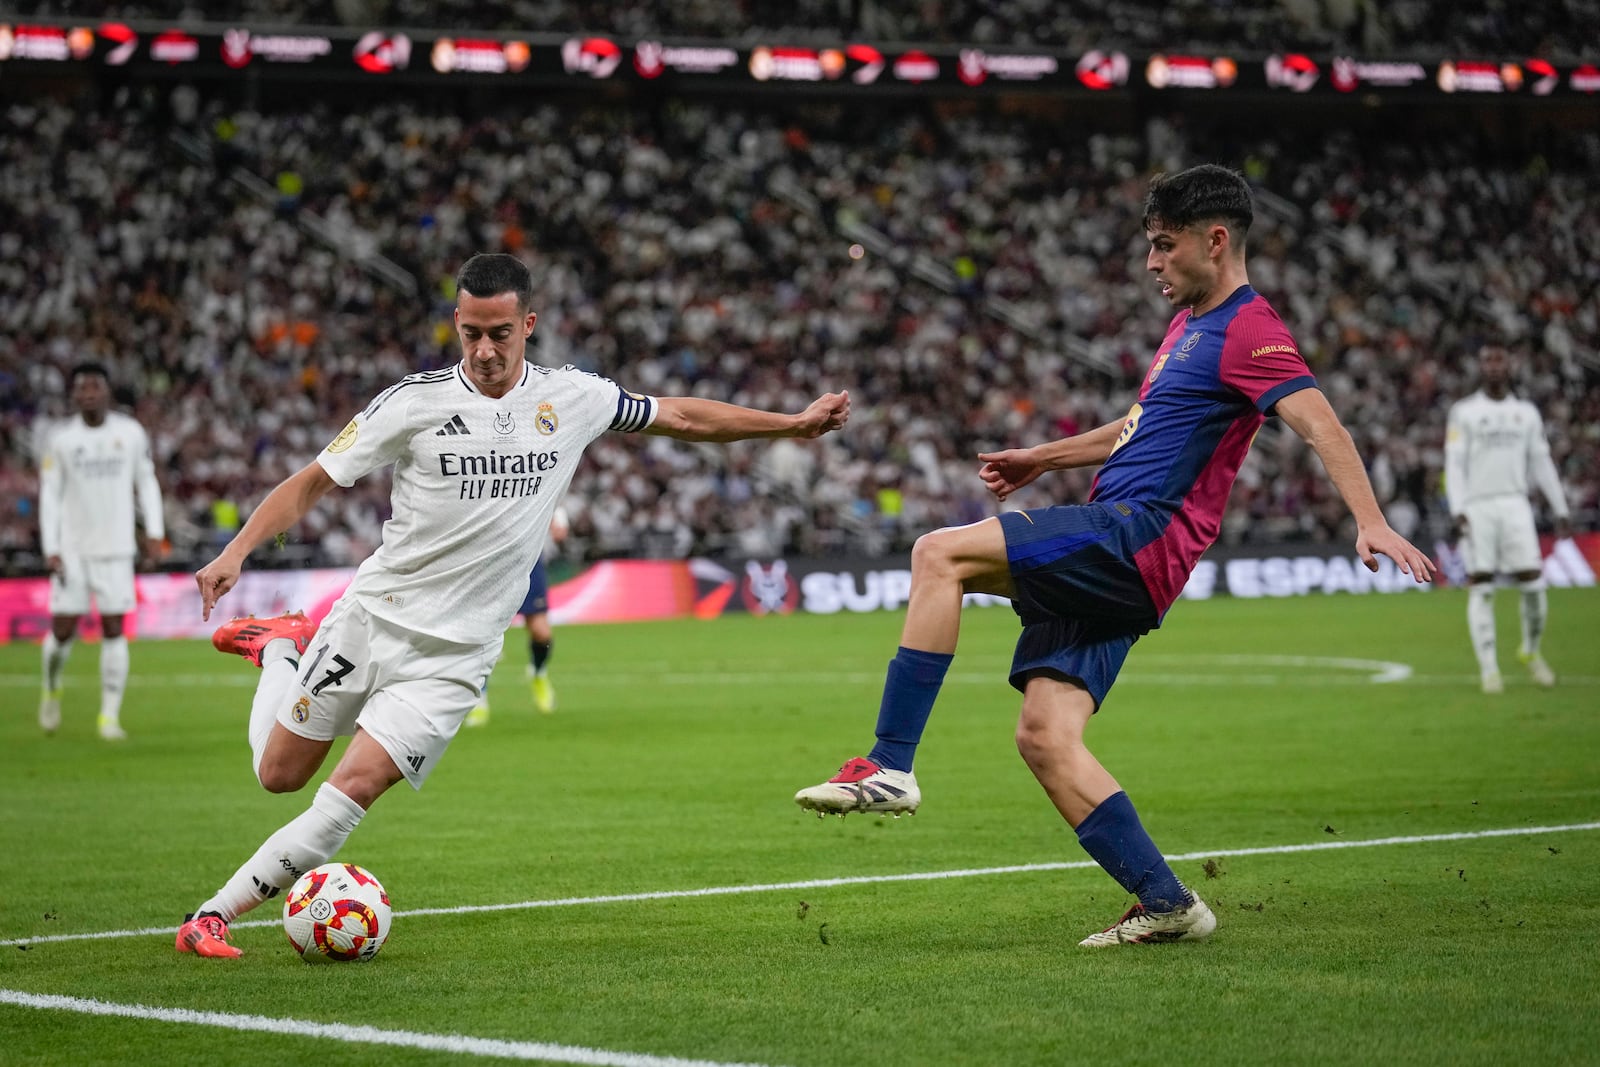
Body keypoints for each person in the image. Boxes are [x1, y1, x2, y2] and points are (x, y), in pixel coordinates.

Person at [793, 165, 1436, 947]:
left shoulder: (1250, 328)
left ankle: (890, 763)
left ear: (1216, 240)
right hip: (1123, 543)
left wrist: (1369, 520)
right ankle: (1169, 904)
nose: (1151, 263)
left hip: (1139, 535)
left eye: (1165, 247)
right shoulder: (1188, 326)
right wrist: (1043, 456)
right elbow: (1136, 425)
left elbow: (1320, 423)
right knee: (1044, 736)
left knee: (939, 554)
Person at [175, 252, 849, 958]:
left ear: (527, 324)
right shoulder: (413, 402)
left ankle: (212, 916)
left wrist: (791, 425)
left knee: (353, 790)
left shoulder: (574, 398)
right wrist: (236, 550)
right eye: (472, 334)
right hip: (372, 620)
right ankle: (279, 645)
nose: (486, 350)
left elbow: (680, 415)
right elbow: (313, 480)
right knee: (277, 774)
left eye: (500, 333)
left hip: (456, 658)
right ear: (456, 326)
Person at [36, 362, 165, 741]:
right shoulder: (61, 441)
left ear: (107, 392)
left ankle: (108, 717)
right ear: (74, 395)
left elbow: (147, 480)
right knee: (62, 631)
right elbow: (50, 496)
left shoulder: (130, 433)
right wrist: (52, 547)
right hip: (73, 549)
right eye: (82, 387)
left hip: (117, 547)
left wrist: (155, 531)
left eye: (95, 386)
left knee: (113, 627)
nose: (89, 393)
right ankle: (51, 686)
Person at [1444, 343, 1572, 694]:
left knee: (1533, 583)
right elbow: (1454, 464)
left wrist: (1560, 507)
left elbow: (1541, 461)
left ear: (1510, 365)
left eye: (1500, 360)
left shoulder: (1527, 413)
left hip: (1516, 504)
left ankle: (1530, 651)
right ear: (1480, 366)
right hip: (1478, 506)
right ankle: (1489, 670)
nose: (1494, 366)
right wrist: (1458, 509)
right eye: (1487, 360)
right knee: (1482, 586)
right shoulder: (1465, 412)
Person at [466, 504, 568, 725]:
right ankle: (479, 698)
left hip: (528, 558)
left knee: (541, 633)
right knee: (484, 631)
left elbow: (550, 491)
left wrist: (559, 519)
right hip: (489, 560)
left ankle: (538, 673)